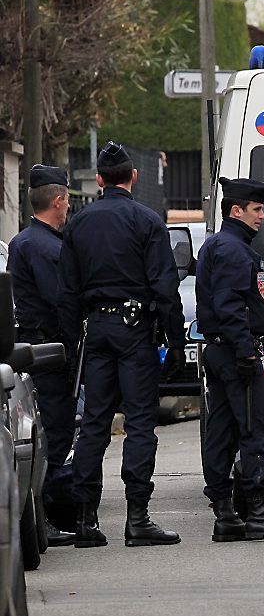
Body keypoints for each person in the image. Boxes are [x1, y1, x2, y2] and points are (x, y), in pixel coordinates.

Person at [58, 141, 186, 548]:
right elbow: (166, 288)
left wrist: (69, 344)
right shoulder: (147, 221)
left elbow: (67, 293)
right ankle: (138, 517)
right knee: (140, 423)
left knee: (94, 423)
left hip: (95, 329)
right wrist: (176, 340)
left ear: (98, 179)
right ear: (134, 177)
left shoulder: (78, 223)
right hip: (135, 330)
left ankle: (85, 520)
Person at [196, 177, 264, 542]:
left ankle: (225, 514)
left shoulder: (223, 245)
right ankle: (258, 511)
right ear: (236, 210)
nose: (263, 216)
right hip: (234, 351)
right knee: (255, 429)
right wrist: (245, 350)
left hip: (223, 349)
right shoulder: (232, 250)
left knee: (223, 431)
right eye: (257, 209)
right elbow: (230, 307)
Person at [7, 164, 76, 546]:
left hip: (34, 346)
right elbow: (60, 302)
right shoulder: (46, 247)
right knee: (54, 434)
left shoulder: (23, 241)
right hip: (49, 350)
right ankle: (47, 515)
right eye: (66, 202)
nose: (68, 210)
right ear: (58, 200)